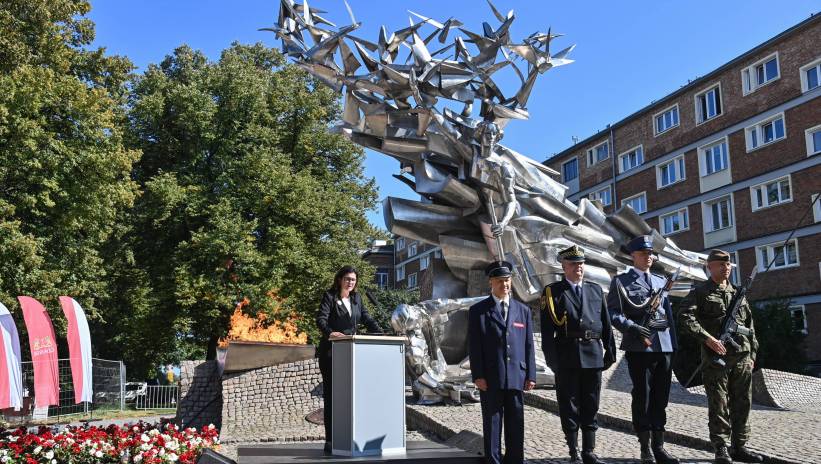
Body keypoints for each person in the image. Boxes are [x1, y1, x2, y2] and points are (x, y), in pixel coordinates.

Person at [678, 250, 763, 464]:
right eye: (721, 265)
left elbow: (750, 326)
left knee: (743, 402)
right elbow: (685, 317)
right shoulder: (700, 292)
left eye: (728, 265)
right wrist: (708, 339)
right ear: (710, 267)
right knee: (719, 404)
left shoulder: (737, 293)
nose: (726, 268)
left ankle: (740, 446)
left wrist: (752, 354)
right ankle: (721, 448)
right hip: (716, 359)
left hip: (742, 357)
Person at [607, 235, 679, 464]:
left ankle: (660, 447)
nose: (649, 257)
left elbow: (666, 318)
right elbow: (614, 314)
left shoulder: (660, 281)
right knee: (643, 396)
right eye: (644, 254)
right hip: (639, 348)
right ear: (633, 256)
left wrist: (672, 344)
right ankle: (645, 448)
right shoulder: (621, 282)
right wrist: (634, 328)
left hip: (663, 346)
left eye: (651, 254)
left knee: (661, 397)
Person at [541, 245, 616, 464]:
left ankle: (589, 451)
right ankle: (573, 451)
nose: (578, 268)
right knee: (569, 403)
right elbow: (547, 332)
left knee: (591, 402)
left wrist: (609, 350)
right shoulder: (553, 292)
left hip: (593, 353)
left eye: (581, 264)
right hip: (567, 355)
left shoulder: (594, 290)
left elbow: (606, 323)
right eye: (573, 264)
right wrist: (552, 361)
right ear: (563, 266)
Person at [468, 260, 537, 464]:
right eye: (500, 281)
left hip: (517, 375)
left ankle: (515, 460)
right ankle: (494, 460)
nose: (504, 285)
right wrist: (478, 375)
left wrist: (531, 374)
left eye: (507, 281)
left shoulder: (522, 310)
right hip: (490, 377)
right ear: (491, 282)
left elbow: (529, 345)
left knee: (516, 423)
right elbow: (474, 346)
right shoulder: (478, 311)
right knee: (492, 422)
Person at [315, 265, 382, 453]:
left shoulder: (357, 298)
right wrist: (331, 333)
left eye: (353, 280)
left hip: (352, 353)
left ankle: (350, 438)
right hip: (331, 353)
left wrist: (382, 332)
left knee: (352, 397)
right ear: (339, 279)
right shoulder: (330, 297)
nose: (350, 282)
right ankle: (331, 441)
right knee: (332, 397)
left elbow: (367, 318)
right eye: (347, 279)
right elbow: (321, 319)